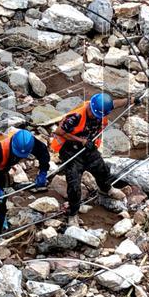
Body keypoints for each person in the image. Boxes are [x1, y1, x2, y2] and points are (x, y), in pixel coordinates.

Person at [50, 92, 127, 225]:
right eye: (92, 112)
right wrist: (81, 141)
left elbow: (116, 103)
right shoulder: (76, 116)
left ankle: (106, 189)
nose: (93, 115)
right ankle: (73, 213)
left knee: (102, 169)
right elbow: (59, 132)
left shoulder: (102, 107)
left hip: (88, 148)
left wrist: (131, 100)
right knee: (74, 185)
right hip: (71, 150)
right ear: (90, 107)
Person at [0, 128, 50, 253]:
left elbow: (43, 152)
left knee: (1, 204)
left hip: (0, 169)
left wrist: (43, 171)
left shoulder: (28, 142)